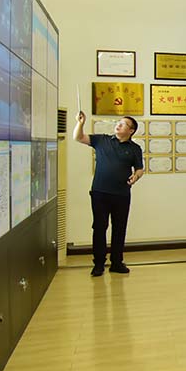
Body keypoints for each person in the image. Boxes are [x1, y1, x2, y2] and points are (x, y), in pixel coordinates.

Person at [73, 112, 144, 276]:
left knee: (119, 228)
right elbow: (78, 137)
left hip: (121, 194)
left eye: (123, 124)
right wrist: (80, 123)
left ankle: (116, 262)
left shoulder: (135, 149)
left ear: (131, 131)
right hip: (100, 193)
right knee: (99, 227)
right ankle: (98, 264)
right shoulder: (102, 140)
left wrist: (136, 177)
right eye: (118, 122)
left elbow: (139, 169)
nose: (118, 125)